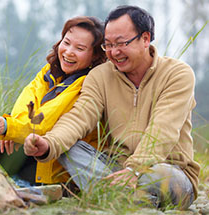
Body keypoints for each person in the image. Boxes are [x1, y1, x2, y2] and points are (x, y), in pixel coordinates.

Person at [24, 5, 200, 210]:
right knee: (68, 147)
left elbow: (163, 130)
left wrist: (135, 171)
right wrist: (49, 144)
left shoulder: (177, 74)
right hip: (114, 170)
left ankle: (109, 196)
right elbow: (79, 117)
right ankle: (128, 200)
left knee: (159, 175)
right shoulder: (100, 76)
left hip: (167, 171)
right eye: (108, 45)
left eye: (121, 43)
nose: (114, 52)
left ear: (145, 38)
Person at [0, 15, 106, 185]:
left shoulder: (87, 84)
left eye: (80, 48)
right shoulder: (50, 72)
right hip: (35, 152)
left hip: (59, 170)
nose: (68, 52)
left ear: (95, 56)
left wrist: (9, 128)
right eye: (66, 43)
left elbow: (45, 123)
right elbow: (24, 106)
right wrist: (9, 128)